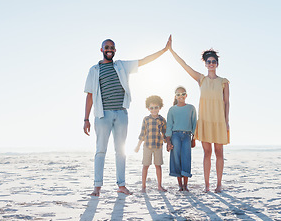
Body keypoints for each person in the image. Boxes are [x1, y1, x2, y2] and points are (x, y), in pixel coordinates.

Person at [84, 36, 171, 197]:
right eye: (106, 47)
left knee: (120, 151)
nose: (109, 49)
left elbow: (144, 61)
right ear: (102, 50)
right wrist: (86, 119)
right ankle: (97, 187)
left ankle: (121, 185)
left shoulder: (122, 65)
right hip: (102, 115)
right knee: (100, 151)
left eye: (112, 47)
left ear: (115, 50)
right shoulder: (94, 70)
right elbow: (89, 95)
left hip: (121, 113)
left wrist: (164, 50)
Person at [168, 37, 230, 193]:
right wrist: (171, 50)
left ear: (217, 63)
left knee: (219, 153)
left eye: (213, 61)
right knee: (207, 153)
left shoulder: (223, 82)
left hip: (219, 121)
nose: (211, 64)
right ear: (205, 63)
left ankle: (219, 184)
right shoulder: (201, 79)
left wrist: (226, 121)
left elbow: (226, 102)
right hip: (205, 121)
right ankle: (207, 185)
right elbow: (185, 66)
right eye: (208, 61)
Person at [166, 86, 197, 192]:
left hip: (187, 136)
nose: (181, 96)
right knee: (176, 159)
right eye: (178, 94)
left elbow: (194, 124)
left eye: (183, 94)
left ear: (186, 95)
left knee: (186, 159)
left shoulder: (191, 108)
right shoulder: (172, 109)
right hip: (175, 136)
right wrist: (168, 141)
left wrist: (194, 138)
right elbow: (169, 125)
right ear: (175, 96)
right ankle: (180, 186)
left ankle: (186, 185)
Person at [134, 95, 167, 193]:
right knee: (145, 166)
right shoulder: (146, 119)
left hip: (158, 146)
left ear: (160, 107)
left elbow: (165, 134)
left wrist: (168, 144)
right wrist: (138, 145)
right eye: (151, 108)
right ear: (148, 108)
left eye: (156, 107)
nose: (154, 110)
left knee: (158, 166)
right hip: (147, 146)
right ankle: (143, 186)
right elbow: (142, 133)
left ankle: (159, 186)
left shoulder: (162, 120)